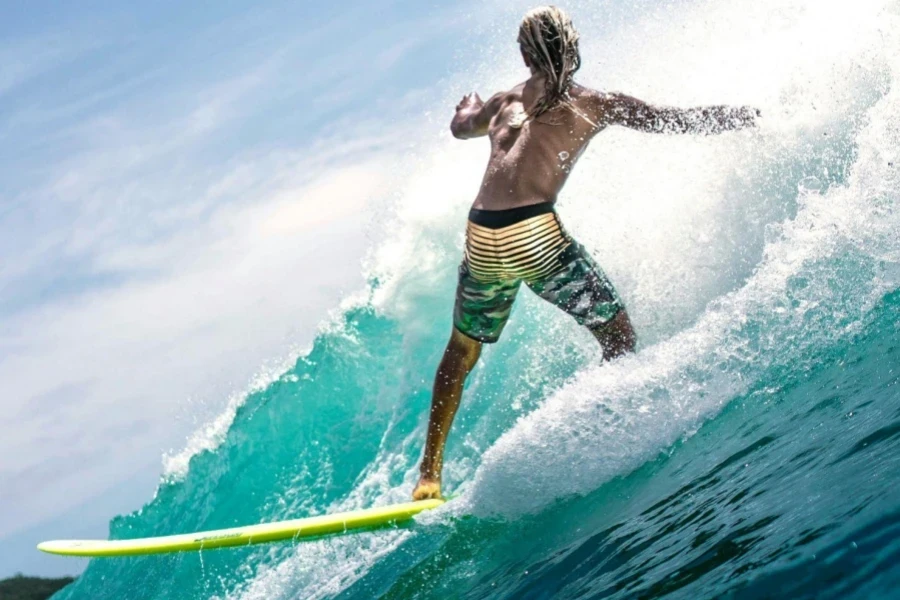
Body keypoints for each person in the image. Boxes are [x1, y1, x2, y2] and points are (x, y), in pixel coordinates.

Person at [412, 5, 758, 501]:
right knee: (618, 336)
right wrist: (737, 118)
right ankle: (598, 437)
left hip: (482, 234)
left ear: (525, 54)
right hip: (532, 233)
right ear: (571, 47)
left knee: (461, 350)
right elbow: (670, 121)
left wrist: (463, 107)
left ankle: (429, 476)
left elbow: (461, 127)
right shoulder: (593, 102)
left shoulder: (502, 100)